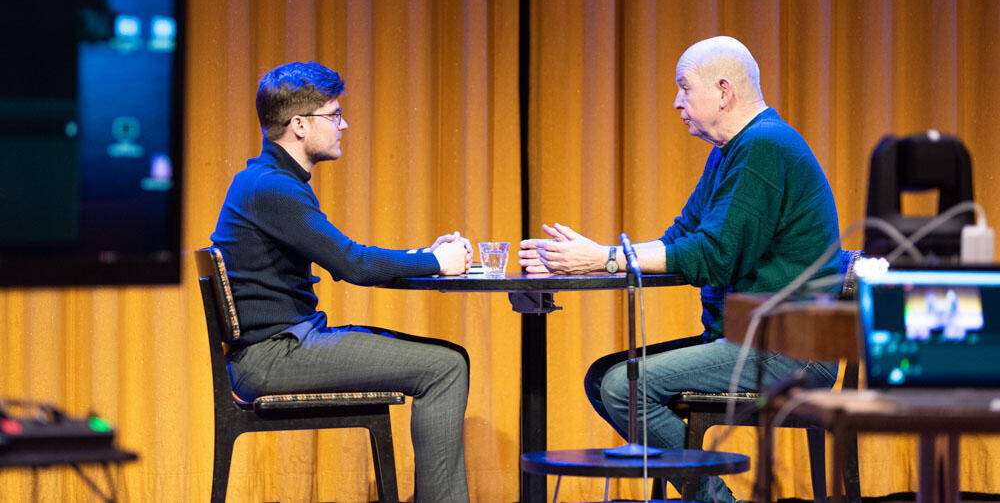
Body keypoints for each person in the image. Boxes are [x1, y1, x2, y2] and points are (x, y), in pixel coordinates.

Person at [519, 36, 841, 503]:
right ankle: (707, 497)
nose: (676, 102)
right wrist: (583, 261)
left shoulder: (764, 147)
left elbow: (712, 256)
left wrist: (608, 257)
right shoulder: (729, 151)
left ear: (724, 90)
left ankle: (714, 501)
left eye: (684, 88)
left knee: (624, 387)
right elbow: (680, 240)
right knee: (605, 378)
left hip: (792, 348)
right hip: (751, 337)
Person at [212, 61, 471, 502]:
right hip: (274, 355)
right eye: (333, 115)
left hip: (281, 345)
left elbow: (346, 254)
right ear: (298, 124)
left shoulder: (265, 182)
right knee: (445, 367)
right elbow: (353, 265)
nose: (343, 124)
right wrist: (435, 261)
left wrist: (423, 258)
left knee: (446, 360)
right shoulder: (273, 189)